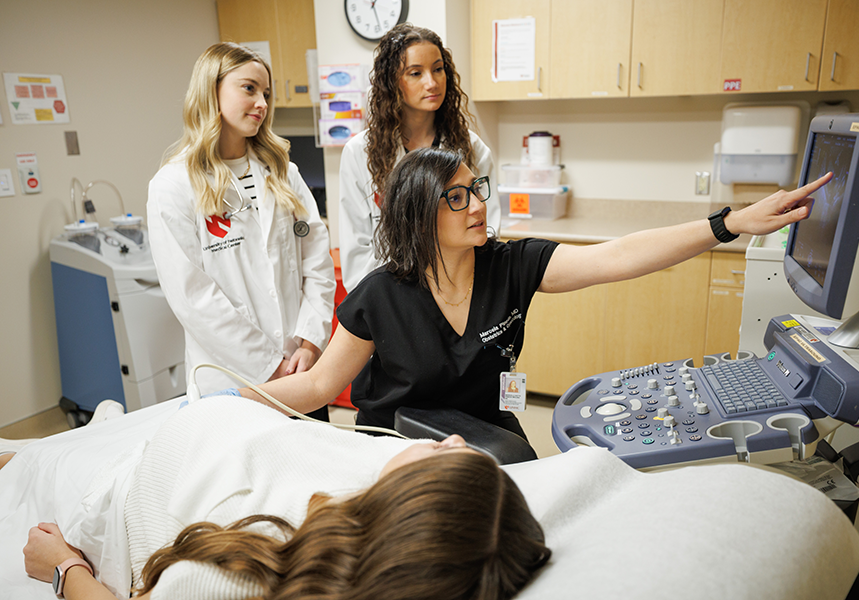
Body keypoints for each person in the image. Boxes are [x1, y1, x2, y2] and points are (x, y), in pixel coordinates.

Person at [240, 147, 833, 440]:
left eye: (477, 190)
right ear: (420, 215)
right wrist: (235, 400)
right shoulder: (380, 294)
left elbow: (618, 255)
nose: (478, 206)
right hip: (401, 444)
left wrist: (728, 223)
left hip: (489, 434)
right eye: (457, 197)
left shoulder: (511, 264)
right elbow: (319, 385)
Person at [1, 396, 550, 599]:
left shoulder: (240, 574)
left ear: (408, 508)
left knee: (26, 464)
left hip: (117, 496)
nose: (451, 438)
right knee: (64, 438)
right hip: (183, 429)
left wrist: (63, 569)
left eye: (445, 454)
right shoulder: (374, 504)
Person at [147, 42, 335, 416]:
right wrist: (270, 365)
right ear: (210, 91)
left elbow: (317, 262)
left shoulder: (284, 173)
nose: (262, 103)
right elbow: (194, 298)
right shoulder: (173, 185)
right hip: (231, 380)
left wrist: (311, 342)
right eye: (249, 88)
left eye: (266, 92)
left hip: (301, 370)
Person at [339, 22, 498, 292]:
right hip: (391, 299)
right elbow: (357, 251)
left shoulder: (471, 147)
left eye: (438, 69)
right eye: (416, 73)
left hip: (458, 291)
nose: (432, 82)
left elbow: (488, 230)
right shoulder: (359, 153)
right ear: (391, 81)